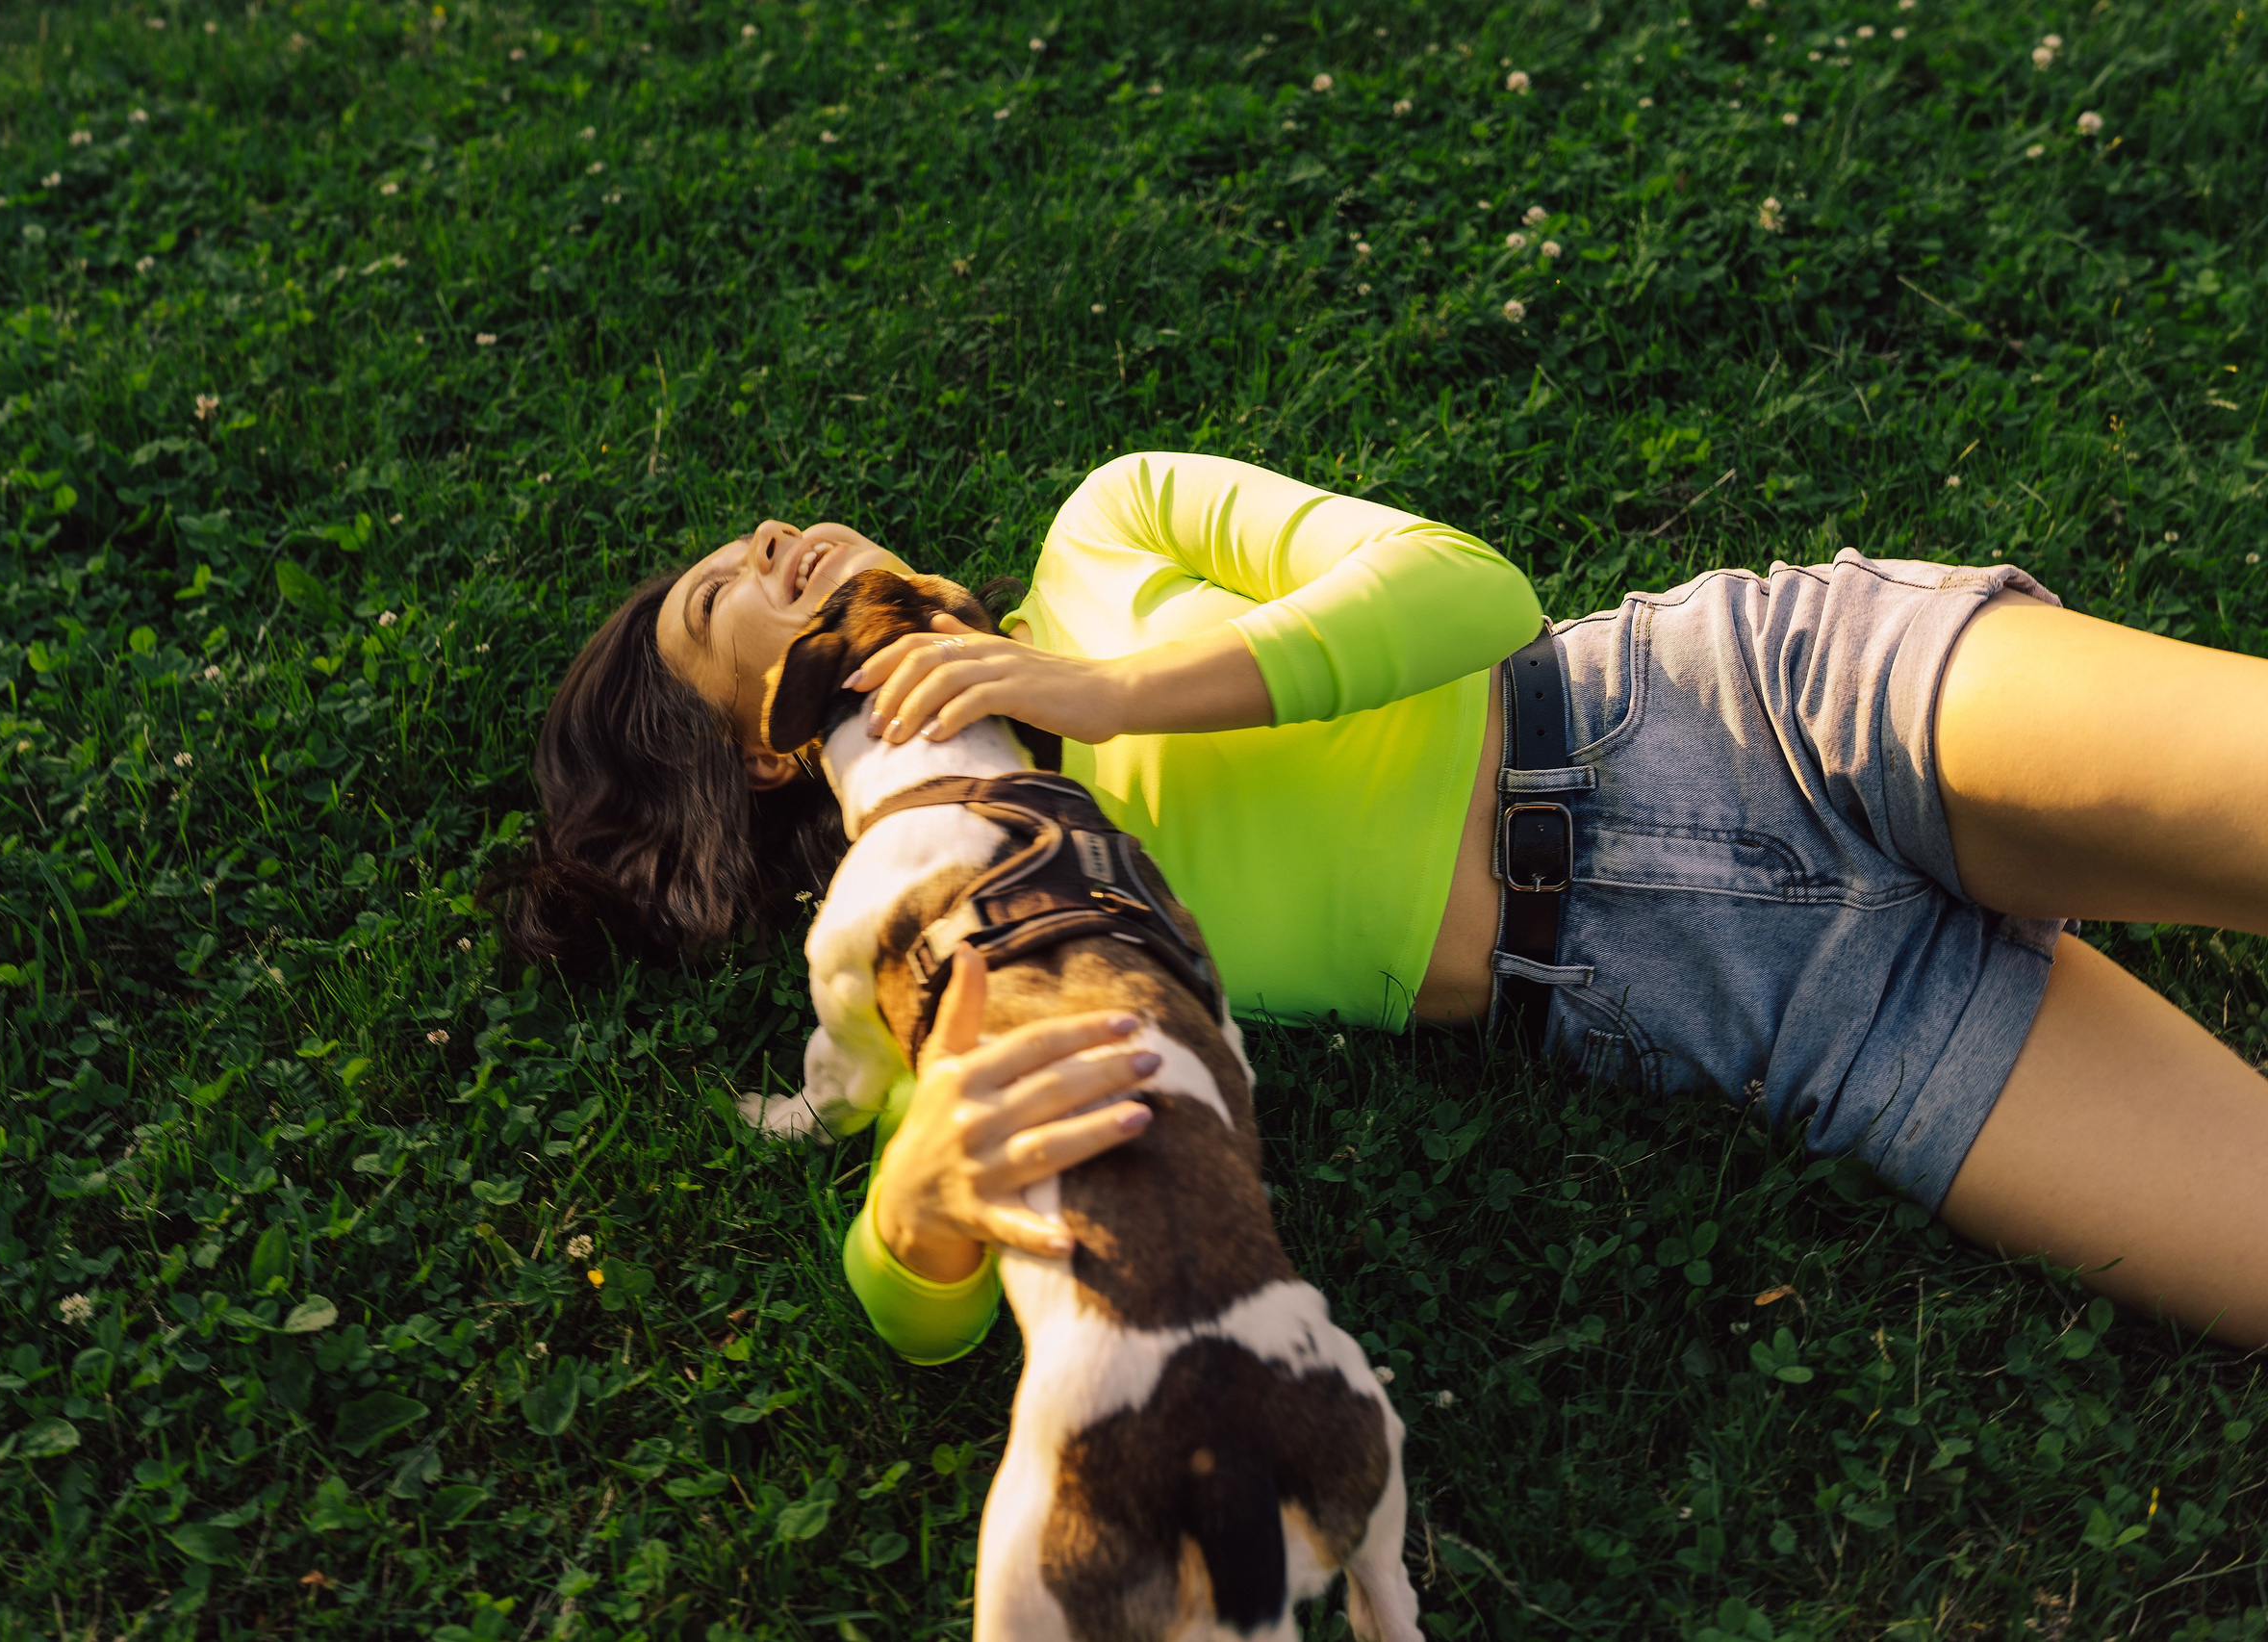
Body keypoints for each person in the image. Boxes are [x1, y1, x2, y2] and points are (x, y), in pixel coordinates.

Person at [493, 451, 2268, 1361]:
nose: (772, 544)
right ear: (764, 753)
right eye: (724, 596)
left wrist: (1101, 692)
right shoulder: (954, 921)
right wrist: (925, 1204)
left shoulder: (1105, 535)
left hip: (1766, 714)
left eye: (756, 534)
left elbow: (1466, 589)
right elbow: (921, 1305)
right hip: (1770, 1013)